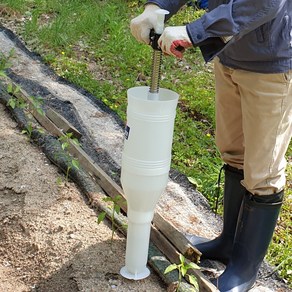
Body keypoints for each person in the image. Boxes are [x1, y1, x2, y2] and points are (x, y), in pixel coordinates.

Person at [130, 1, 292, 291]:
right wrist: (157, 6)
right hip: (229, 55)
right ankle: (229, 242)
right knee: (234, 152)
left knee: (262, 171)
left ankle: (244, 268)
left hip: (272, 62)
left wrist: (196, 31)